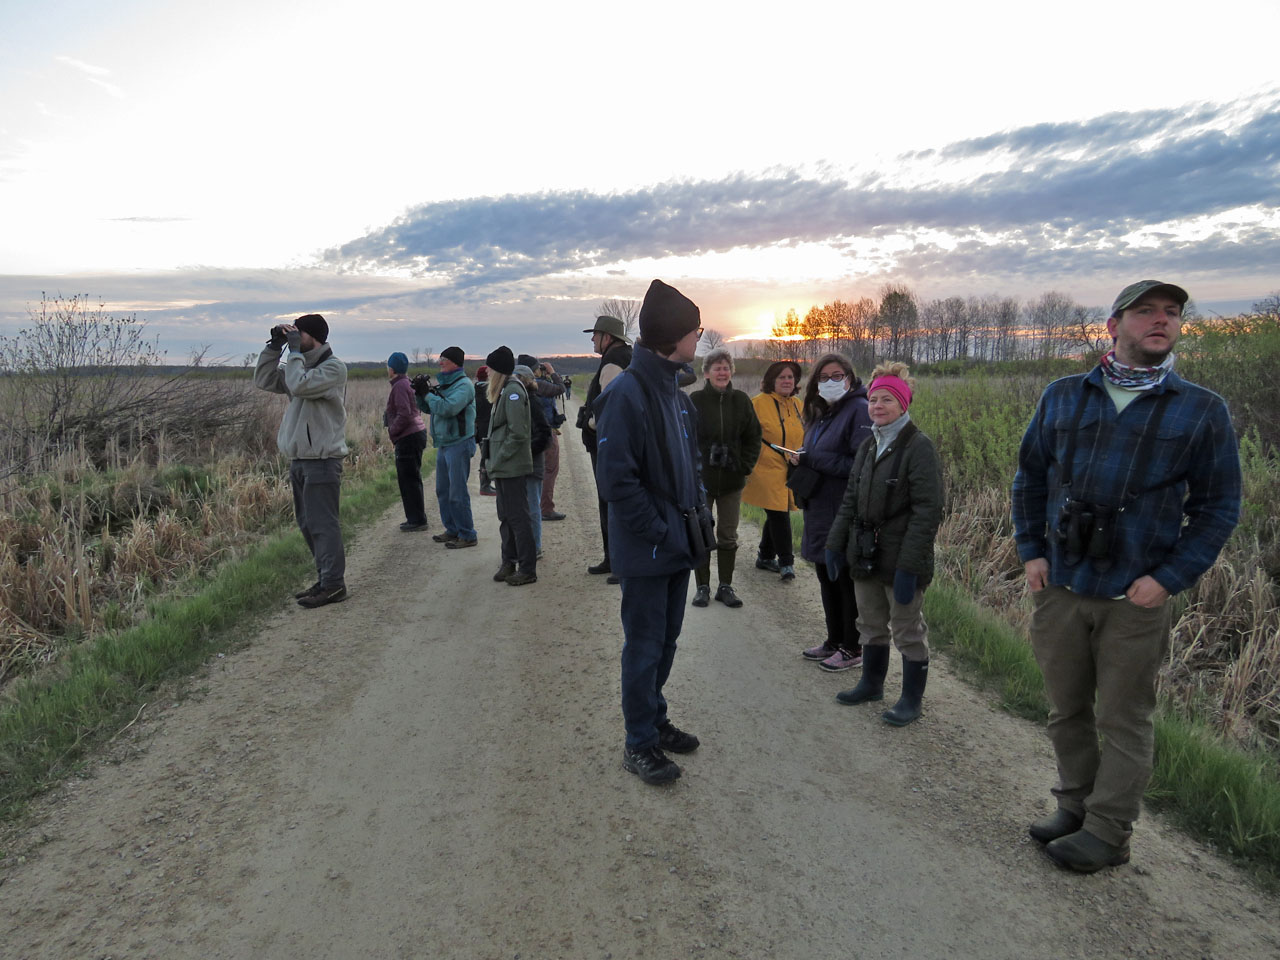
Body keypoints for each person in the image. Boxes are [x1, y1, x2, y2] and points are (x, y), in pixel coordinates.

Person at [1012, 280, 1242, 873]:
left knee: (1122, 718)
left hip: (1135, 597)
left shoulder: (1201, 409)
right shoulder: (1064, 396)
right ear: (1114, 325)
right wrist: (1032, 551)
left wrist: (1169, 577)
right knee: (1066, 709)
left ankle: (1110, 832)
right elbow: (1030, 479)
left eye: (1171, 313)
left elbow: (1218, 507)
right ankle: (1075, 806)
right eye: (1145, 312)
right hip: (1060, 585)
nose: (1160, 321)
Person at [594, 279, 707, 785]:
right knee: (643, 646)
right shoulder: (626, 394)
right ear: (673, 337)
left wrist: (694, 519)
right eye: (695, 331)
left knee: (667, 642)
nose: (699, 339)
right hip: (649, 549)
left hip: (678, 544)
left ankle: (655, 719)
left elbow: (692, 466)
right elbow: (616, 481)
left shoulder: (678, 394)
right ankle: (638, 741)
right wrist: (659, 531)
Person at [827, 361, 943, 725]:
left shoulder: (918, 447)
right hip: (864, 551)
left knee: (907, 629)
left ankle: (911, 700)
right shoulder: (868, 444)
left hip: (902, 555)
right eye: (873, 400)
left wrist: (909, 566)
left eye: (887, 400)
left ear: (903, 404)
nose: (877, 406)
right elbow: (850, 499)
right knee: (870, 622)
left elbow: (928, 511)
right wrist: (835, 543)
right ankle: (871, 683)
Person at [253, 313, 349, 609]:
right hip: (300, 459)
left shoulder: (333, 368)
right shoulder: (301, 367)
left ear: (314, 337)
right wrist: (274, 346)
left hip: (321, 459)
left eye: (299, 333)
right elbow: (265, 379)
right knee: (308, 524)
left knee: (323, 525)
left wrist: (293, 352)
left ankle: (333, 585)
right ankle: (325, 578)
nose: (295, 338)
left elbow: (300, 386)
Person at [796, 353, 872, 671]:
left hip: (842, 510)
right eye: (823, 377)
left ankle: (852, 647)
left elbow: (860, 463)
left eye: (836, 375)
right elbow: (818, 454)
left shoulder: (859, 410)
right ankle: (833, 639)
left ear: (850, 378)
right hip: (818, 507)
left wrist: (812, 459)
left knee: (843, 581)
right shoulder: (821, 414)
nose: (830, 382)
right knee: (826, 577)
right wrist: (802, 456)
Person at [688, 348, 761, 608]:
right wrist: (692, 469)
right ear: (706, 373)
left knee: (728, 535)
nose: (722, 372)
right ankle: (703, 587)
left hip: (732, 480)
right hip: (701, 481)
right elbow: (686, 439)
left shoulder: (742, 401)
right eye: (716, 367)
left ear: (731, 372)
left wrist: (744, 466)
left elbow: (753, 437)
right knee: (702, 533)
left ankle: (725, 586)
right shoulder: (694, 400)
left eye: (726, 367)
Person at [580, 315, 633, 582]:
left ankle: (618, 562)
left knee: (611, 502)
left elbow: (611, 408)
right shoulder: (624, 357)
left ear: (607, 338)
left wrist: (591, 424)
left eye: (596, 334)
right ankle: (614, 560)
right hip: (615, 445)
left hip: (608, 446)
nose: (592, 339)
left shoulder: (613, 363)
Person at [741, 360, 804, 580]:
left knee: (779, 508)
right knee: (779, 512)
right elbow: (744, 433)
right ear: (771, 381)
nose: (787, 381)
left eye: (790, 377)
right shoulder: (758, 403)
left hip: (790, 467)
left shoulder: (798, 405)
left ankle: (765, 555)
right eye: (782, 377)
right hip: (764, 467)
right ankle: (787, 562)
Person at [484, 346, 537, 585]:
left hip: (511, 465)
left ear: (499, 371)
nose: (487, 374)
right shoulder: (504, 391)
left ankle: (527, 568)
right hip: (503, 467)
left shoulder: (514, 391)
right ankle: (509, 561)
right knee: (506, 516)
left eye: (491, 369)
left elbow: (518, 434)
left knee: (518, 517)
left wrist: (499, 458)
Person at [416, 346, 478, 549]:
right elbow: (429, 408)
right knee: (443, 490)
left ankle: (467, 534)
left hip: (459, 444)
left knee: (457, 493)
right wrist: (420, 394)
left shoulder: (464, 386)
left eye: (444, 359)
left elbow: (448, 408)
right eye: (440, 358)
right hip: (445, 444)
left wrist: (428, 395)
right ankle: (452, 529)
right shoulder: (446, 383)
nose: (440, 362)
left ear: (455, 362)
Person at [385, 351, 429, 532]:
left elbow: (405, 414)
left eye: (388, 365)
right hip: (415, 434)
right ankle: (416, 518)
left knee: (408, 480)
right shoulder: (405, 383)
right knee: (411, 478)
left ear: (392, 368)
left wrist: (392, 431)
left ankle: (417, 520)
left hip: (408, 437)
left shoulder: (400, 386)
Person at [521, 355, 567, 521]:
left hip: (529, 433)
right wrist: (553, 372)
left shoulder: (519, 384)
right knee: (549, 469)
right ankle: (546, 508)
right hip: (546, 431)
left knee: (532, 472)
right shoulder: (537, 384)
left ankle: (531, 506)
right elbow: (560, 388)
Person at [513, 363, 552, 557]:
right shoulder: (519, 400)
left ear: (524, 380)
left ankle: (535, 547)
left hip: (532, 462)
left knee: (532, 506)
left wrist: (528, 451)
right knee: (521, 507)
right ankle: (524, 545)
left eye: (516, 378)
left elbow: (545, 434)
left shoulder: (532, 401)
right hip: (521, 463)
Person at [474, 366, 495, 496]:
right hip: (488, 428)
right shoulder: (489, 391)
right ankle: (485, 486)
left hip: (478, 428)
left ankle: (486, 484)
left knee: (485, 455)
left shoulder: (474, 390)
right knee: (486, 457)